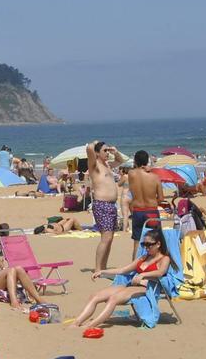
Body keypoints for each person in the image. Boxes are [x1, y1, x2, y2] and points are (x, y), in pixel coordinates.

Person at [73, 226, 173, 332]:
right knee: (95, 296)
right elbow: (123, 270)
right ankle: (76, 323)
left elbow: (161, 272)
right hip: (131, 285)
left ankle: (90, 325)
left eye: (149, 244)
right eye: (144, 244)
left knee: (113, 299)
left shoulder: (164, 258)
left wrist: (143, 275)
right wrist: (102, 272)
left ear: (158, 244)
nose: (146, 247)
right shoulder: (144, 257)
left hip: (147, 288)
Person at [87, 141, 124, 272]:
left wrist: (115, 151)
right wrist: (95, 143)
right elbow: (89, 148)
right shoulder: (94, 166)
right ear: (97, 153)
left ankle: (103, 267)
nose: (107, 153)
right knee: (106, 238)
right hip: (102, 205)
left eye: (108, 151)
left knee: (110, 238)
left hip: (111, 205)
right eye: (105, 151)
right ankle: (98, 269)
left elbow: (120, 160)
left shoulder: (107, 165)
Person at [127, 150, 163, 259]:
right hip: (151, 211)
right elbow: (161, 198)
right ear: (147, 161)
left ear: (135, 161)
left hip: (137, 211)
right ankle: (153, 266)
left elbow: (135, 170)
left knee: (137, 243)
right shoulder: (155, 177)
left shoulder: (131, 174)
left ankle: (134, 269)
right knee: (155, 243)